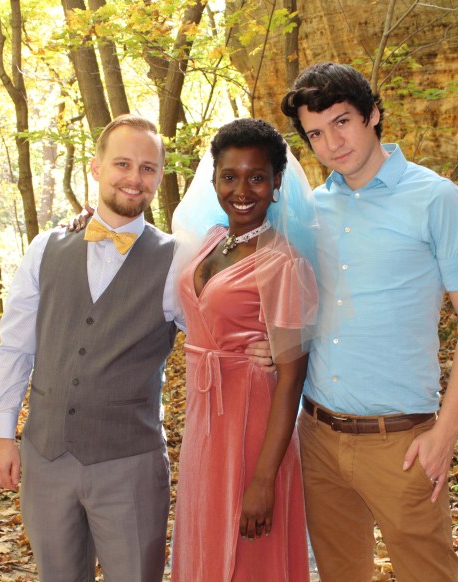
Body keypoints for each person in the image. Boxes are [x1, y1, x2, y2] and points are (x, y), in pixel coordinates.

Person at [279, 62, 458, 581]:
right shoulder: (311, 209)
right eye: (316, 133)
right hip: (318, 435)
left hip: (401, 442)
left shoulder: (436, 198)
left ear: (373, 114)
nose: (332, 143)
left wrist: (445, 433)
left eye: (341, 121)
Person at [0, 115, 181, 582]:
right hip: (45, 457)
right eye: (122, 164)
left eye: (148, 168)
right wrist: (2, 434)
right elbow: (15, 346)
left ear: (159, 176)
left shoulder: (178, 260)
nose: (134, 178)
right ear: (95, 167)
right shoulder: (46, 248)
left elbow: (219, 342)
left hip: (130, 464)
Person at [169, 118, 319, 581]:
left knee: (250, 556)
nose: (242, 190)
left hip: (252, 421)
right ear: (213, 179)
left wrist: (264, 479)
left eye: (257, 177)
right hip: (204, 419)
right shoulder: (213, 239)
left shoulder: (282, 262)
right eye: (229, 177)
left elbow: (291, 377)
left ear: (277, 183)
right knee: (206, 540)